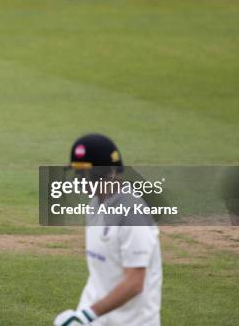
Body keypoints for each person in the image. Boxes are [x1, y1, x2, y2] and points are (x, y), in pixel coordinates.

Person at [54, 134, 162, 326]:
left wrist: (87, 315)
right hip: (96, 318)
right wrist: (83, 313)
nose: (80, 180)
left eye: (85, 174)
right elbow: (101, 273)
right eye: (77, 173)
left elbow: (135, 282)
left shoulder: (132, 213)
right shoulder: (94, 205)